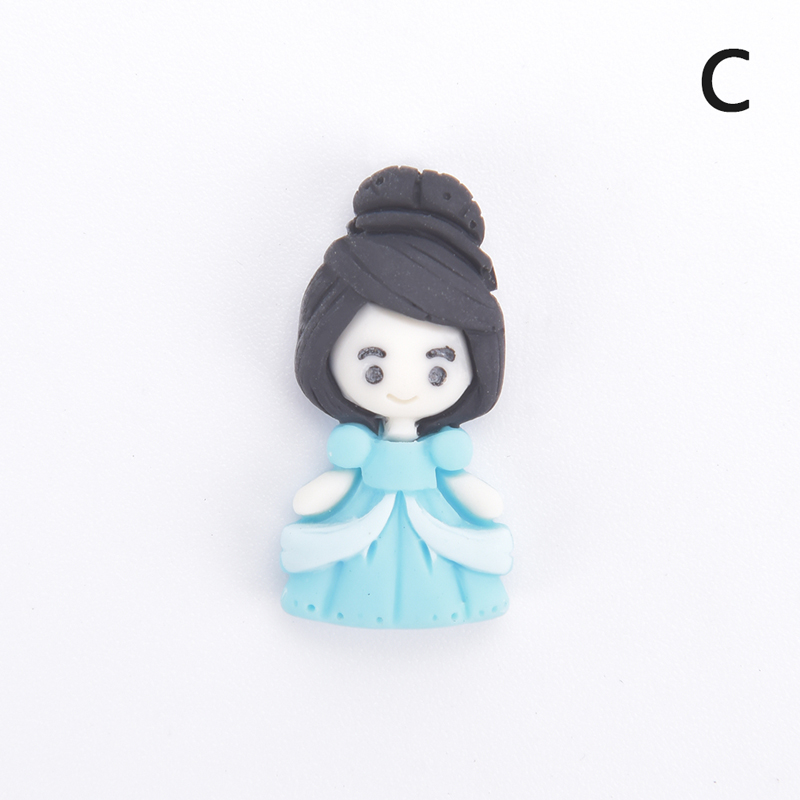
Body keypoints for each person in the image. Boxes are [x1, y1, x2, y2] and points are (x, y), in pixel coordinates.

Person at [280, 165, 512, 628]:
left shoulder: (436, 451)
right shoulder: (361, 449)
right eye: (374, 369)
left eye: (436, 370)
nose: (403, 389)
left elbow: (477, 501)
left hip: (432, 527)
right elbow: (324, 494)